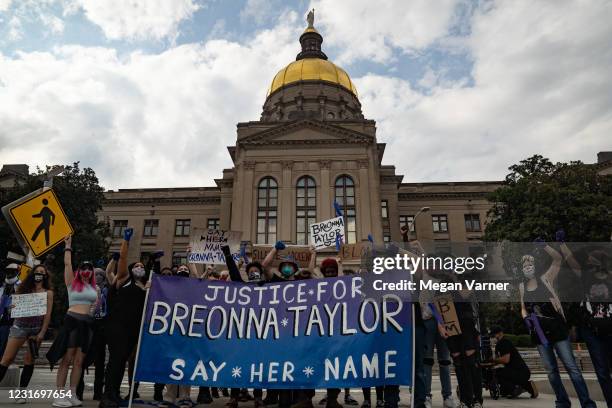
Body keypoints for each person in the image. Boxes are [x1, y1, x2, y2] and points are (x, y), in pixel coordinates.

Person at [519, 239, 596, 408]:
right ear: (521, 269)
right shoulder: (522, 287)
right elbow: (523, 307)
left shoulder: (546, 278)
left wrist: (545, 246)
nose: (528, 267)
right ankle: (562, 402)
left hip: (557, 329)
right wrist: (525, 318)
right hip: (539, 334)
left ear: (535, 265)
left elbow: (558, 259)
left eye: (530, 263)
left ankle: (587, 403)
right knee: (551, 372)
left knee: (572, 368)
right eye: (524, 265)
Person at [99, 227, 147, 408]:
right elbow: (124, 259)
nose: (139, 268)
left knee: (122, 362)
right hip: (117, 326)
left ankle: (115, 393)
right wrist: (126, 241)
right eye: (137, 266)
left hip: (133, 329)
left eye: (142, 266)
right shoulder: (123, 278)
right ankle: (106, 396)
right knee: (115, 360)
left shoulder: (145, 286)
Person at [47, 235, 97, 407]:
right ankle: (59, 395)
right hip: (73, 321)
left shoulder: (94, 287)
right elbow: (67, 264)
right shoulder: (72, 284)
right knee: (67, 359)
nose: (87, 270)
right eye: (84, 267)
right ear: (79, 270)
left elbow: (95, 305)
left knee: (79, 361)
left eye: (90, 268)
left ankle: (72, 393)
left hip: (87, 324)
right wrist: (68, 246)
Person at [563, 242, 612, 406]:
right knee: (602, 371)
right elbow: (571, 262)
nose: (588, 264)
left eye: (591, 261)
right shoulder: (585, 277)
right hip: (592, 331)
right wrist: (562, 244)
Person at [0, 264, 53, 404]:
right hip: (19, 326)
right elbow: (13, 308)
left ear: (46, 276)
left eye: (42, 272)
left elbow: (48, 315)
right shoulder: (22, 289)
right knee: (7, 358)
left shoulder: (48, 293)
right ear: (32, 274)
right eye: (37, 272)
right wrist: (12, 308)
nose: (40, 274)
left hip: (36, 329)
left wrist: (42, 332)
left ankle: (21, 393)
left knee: (29, 361)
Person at [489, 327, 537, 398]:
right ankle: (526, 387)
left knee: (499, 374)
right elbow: (498, 359)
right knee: (501, 377)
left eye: (494, 335)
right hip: (517, 371)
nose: (493, 338)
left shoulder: (504, 342)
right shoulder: (499, 345)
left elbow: (506, 360)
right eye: (492, 336)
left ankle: (514, 389)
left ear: (500, 333)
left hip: (520, 371)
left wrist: (493, 360)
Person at [0, 262, 20, 356]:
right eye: (7, 271)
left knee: (5, 345)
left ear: (17, 272)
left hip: (12, 320)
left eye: (12, 271)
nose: (9, 274)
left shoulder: (21, 286)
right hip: (2, 317)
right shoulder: (2, 286)